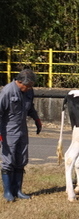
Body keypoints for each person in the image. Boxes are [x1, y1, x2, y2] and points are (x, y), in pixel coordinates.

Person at [0, 69, 42, 202]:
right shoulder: (7, 91)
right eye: (28, 85)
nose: (30, 88)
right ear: (19, 82)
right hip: (8, 131)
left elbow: (31, 108)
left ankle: (17, 190)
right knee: (8, 161)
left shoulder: (29, 91)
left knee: (21, 160)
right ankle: (7, 192)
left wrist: (36, 119)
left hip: (22, 130)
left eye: (31, 86)